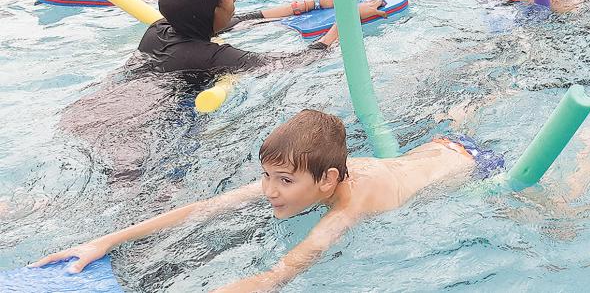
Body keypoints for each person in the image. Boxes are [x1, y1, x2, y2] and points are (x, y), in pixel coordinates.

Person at [31, 109, 504, 292]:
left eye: (284, 181)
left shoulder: (348, 208)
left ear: (327, 181)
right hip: (435, 146)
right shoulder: (308, 176)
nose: (270, 190)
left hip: (475, 166)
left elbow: (285, 270)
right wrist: (105, 241)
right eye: (266, 176)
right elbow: (202, 209)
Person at [134, 0, 387, 73]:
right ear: (213, 11)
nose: (236, 1)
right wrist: (347, 19)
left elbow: (245, 18)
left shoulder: (158, 28)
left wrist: (314, 3)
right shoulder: (213, 56)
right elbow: (299, 61)